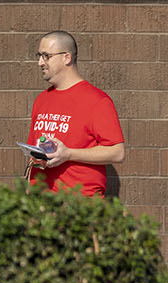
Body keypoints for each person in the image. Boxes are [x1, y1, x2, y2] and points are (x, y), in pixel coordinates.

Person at [26, 30, 124, 197]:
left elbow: (117, 152)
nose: (40, 62)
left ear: (67, 58)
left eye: (46, 56)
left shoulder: (97, 100)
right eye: (39, 55)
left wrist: (69, 154)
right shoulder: (42, 100)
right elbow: (32, 155)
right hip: (41, 205)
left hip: (78, 207)